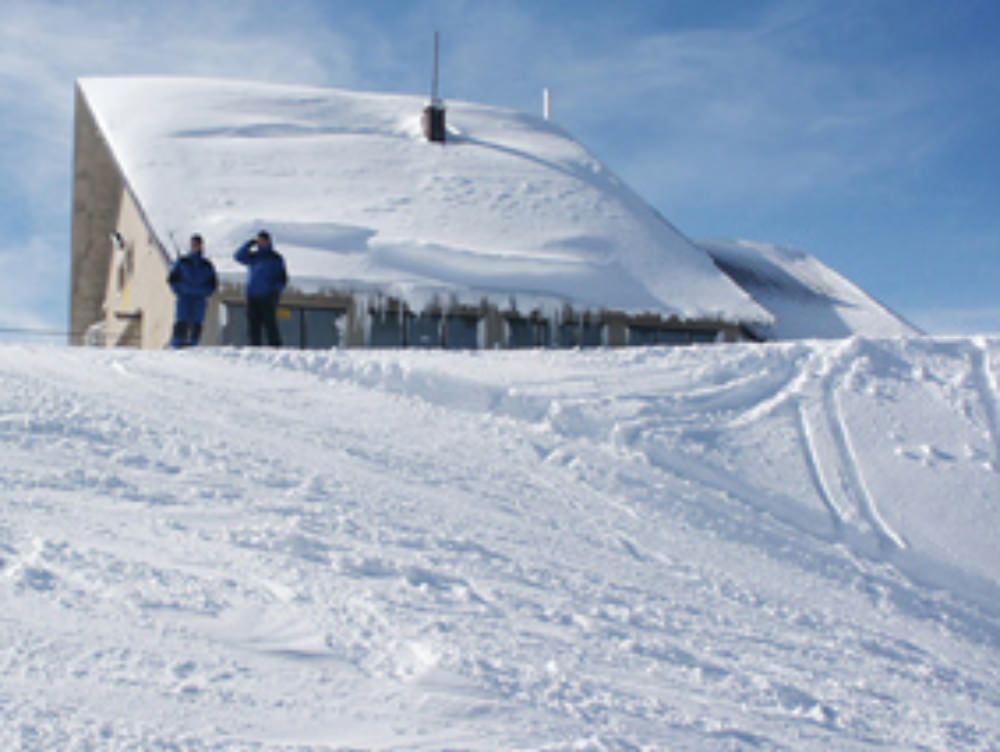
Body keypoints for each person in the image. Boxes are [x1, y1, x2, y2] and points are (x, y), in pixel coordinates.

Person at [234, 230, 288, 347]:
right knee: (253, 325)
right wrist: (249, 244)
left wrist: (274, 291)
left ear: (268, 241)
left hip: (268, 296)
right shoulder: (254, 256)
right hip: (252, 296)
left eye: (263, 240)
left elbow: (282, 278)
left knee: (270, 324)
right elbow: (238, 256)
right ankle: (254, 348)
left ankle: (275, 347)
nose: (261, 243)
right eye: (259, 241)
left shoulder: (275, 258)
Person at [167, 233, 217, 347]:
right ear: (191, 245)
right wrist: (180, 290)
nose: (196, 247)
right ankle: (177, 343)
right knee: (181, 320)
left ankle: (194, 343)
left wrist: (203, 292)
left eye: (198, 244)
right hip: (184, 297)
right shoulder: (183, 261)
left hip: (199, 298)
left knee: (197, 322)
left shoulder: (207, 265)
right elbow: (172, 280)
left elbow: (212, 285)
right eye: (194, 244)